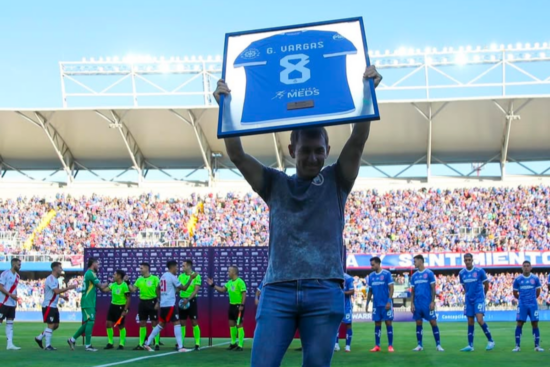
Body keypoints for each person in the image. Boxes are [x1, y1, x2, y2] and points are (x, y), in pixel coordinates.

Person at [213, 65, 382, 367]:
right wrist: (224, 105)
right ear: (292, 149)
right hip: (278, 289)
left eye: (319, 150)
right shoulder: (275, 184)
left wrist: (368, 91)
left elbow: (357, 140)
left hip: (324, 289)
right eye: (306, 150)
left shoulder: (336, 180)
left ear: (328, 149)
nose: (313, 157)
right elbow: (237, 154)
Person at [143, 260, 196, 352]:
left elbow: (157, 289)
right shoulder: (172, 277)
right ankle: (180, 347)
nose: (178, 269)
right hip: (169, 304)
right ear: (172, 267)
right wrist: (191, 278)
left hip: (164, 304)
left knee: (160, 325)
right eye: (177, 267)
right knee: (177, 323)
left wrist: (159, 300)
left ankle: (147, 344)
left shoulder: (163, 276)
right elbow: (184, 288)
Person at [67, 257, 110, 352]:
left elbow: (102, 288)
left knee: (87, 323)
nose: (98, 266)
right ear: (93, 263)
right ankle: (88, 345)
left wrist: (109, 284)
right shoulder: (90, 273)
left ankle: (72, 339)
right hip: (87, 301)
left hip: (89, 301)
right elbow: (102, 287)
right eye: (97, 264)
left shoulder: (89, 273)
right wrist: (110, 281)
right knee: (90, 322)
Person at [35, 261, 77, 351]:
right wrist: (68, 288)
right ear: (55, 269)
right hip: (48, 305)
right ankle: (48, 346)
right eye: (60, 267)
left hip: (53, 306)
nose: (61, 269)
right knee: (50, 325)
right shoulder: (50, 279)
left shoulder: (55, 279)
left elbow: (54, 293)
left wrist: (62, 297)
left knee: (56, 325)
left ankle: (39, 337)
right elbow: (56, 291)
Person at [459, 253, 495, 352]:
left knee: (479, 319)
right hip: (468, 300)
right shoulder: (462, 273)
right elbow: (464, 287)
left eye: (469, 260)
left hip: (478, 299)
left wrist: (483, 294)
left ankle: (491, 341)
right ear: (464, 261)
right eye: (465, 260)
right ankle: (470, 345)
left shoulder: (479, 271)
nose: (467, 262)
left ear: (472, 260)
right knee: (470, 322)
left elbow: (486, 284)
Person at [207, 266, 247, 351]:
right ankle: (233, 343)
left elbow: (244, 293)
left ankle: (240, 345)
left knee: (239, 325)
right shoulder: (229, 283)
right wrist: (213, 285)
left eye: (229, 271)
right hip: (231, 306)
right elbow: (222, 290)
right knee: (231, 324)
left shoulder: (240, 282)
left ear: (234, 272)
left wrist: (242, 305)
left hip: (238, 306)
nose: (228, 273)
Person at [410, 255, 444, 352]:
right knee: (418, 323)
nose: (414, 263)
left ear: (421, 261)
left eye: (415, 261)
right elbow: (412, 291)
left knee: (433, 322)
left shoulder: (429, 273)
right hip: (417, 304)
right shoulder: (414, 276)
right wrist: (412, 304)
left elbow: (433, 288)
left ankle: (438, 345)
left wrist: (432, 301)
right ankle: (419, 345)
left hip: (427, 303)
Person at [512, 261, 543, 352]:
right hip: (522, 305)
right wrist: (522, 299)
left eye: (527, 266)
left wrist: (532, 299)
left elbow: (538, 291)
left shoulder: (535, 278)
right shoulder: (518, 279)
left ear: (531, 267)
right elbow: (515, 293)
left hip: (533, 305)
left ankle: (537, 346)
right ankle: (517, 346)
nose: (526, 267)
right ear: (522, 268)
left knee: (535, 324)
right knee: (519, 324)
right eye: (524, 266)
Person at [128, 262, 161, 350]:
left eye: (141, 268)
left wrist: (158, 302)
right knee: (142, 323)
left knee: (154, 323)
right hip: (142, 303)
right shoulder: (139, 279)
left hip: (153, 302)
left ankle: (157, 343)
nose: (140, 270)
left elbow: (159, 291)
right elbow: (133, 290)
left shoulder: (155, 278)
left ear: (146, 268)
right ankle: (141, 344)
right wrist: (127, 282)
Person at [366, 257, 395, 352]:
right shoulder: (371, 276)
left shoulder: (386, 274)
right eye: (371, 264)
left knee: (388, 323)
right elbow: (370, 291)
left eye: (373, 264)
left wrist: (389, 301)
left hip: (385, 304)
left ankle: (390, 346)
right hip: (376, 304)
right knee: (377, 324)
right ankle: (377, 345)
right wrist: (367, 303)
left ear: (378, 264)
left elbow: (391, 288)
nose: (371, 266)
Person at [178, 259, 202, 351]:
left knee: (194, 322)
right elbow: (179, 288)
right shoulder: (180, 276)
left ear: (188, 266)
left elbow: (196, 290)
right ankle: (181, 344)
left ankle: (197, 343)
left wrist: (188, 299)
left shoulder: (196, 276)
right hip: (181, 301)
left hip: (191, 301)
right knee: (182, 323)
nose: (182, 267)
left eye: (183, 265)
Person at [104, 270, 131, 350]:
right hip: (113, 306)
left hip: (121, 307)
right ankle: (110, 343)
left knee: (120, 325)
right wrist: (103, 284)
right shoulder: (113, 285)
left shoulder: (124, 285)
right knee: (108, 324)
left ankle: (121, 344)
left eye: (115, 274)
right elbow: (104, 290)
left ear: (119, 276)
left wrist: (125, 310)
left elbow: (128, 299)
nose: (113, 276)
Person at [0, 258, 22, 350]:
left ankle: (10, 344)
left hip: (11, 303)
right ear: (13, 264)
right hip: (3, 302)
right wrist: (9, 295)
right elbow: (0, 286)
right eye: (18, 264)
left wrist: (16, 299)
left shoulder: (17, 276)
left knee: (10, 323)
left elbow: (14, 290)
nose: (20, 266)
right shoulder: (5, 273)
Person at [335, 273, 355, 352]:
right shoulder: (334, 276)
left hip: (346, 306)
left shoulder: (348, 278)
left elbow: (352, 291)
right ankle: (336, 344)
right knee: (336, 324)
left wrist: (342, 293)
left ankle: (347, 346)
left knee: (348, 324)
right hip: (336, 305)